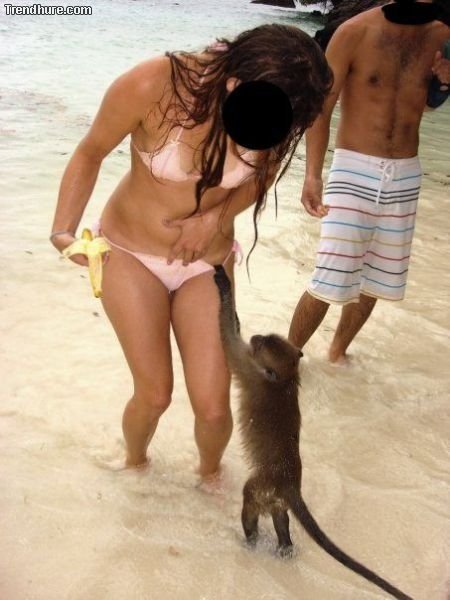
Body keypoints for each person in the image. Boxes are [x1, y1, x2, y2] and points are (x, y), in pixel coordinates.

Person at [50, 24, 332, 480]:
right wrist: (63, 230)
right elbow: (91, 151)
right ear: (234, 84)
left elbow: (263, 173)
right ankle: (135, 468)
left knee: (214, 407)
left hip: (207, 264)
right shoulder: (153, 84)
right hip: (130, 253)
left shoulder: (280, 103)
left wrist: (214, 220)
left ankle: (210, 480)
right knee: (154, 394)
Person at [288, 1, 450, 364]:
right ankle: (286, 361)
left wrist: (444, 82)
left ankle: (337, 354)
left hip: (406, 174)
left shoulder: (442, 36)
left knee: (376, 279)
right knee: (329, 275)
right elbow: (321, 108)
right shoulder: (354, 33)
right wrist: (312, 174)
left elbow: (425, 104)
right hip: (353, 170)